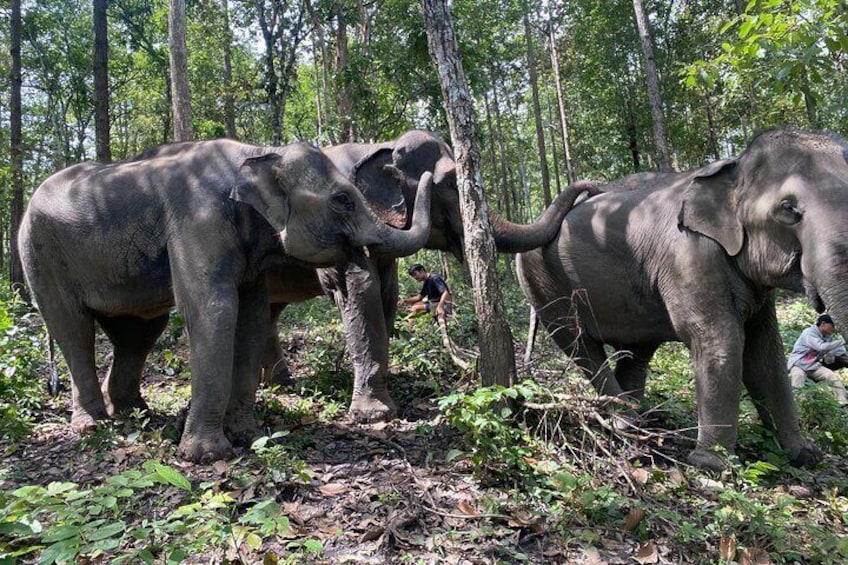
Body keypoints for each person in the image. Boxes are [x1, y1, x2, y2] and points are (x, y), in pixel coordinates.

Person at [787, 314, 848, 405]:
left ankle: (843, 402)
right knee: (798, 376)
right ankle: (799, 405)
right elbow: (821, 347)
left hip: (813, 366)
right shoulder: (809, 332)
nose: (834, 329)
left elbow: (839, 351)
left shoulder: (828, 337)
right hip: (798, 364)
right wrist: (843, 341)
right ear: (823, 323)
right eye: (833, 326)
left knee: (832, 376)